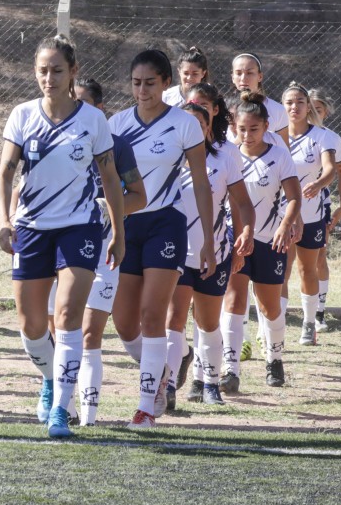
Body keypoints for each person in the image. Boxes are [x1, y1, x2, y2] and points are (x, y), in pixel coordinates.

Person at [0, 36, 125, 438]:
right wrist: (4, 220)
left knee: (68, 317)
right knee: (31, 325)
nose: (48, 78)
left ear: (73, 72)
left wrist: (118, 233)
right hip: (31, 228)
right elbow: (4, 174)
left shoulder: (93, 120)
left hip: (79, 227)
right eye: (42, 70)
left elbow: (110, 178)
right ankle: (51, 378)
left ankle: (60, 409)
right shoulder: (22, 115)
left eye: (57, 70)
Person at [109, 49, 214, 429]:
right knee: (124, 323)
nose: (142, 90)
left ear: (167, 83)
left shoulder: (184, 124)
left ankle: (146, 406)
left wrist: (208, 239)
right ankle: (165, 369)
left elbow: (201, 182)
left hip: (166, 225)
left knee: (154, 315)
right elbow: (105, 179)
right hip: (126, 226)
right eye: (136, 83)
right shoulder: (116, 124)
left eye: (150, 83)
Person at [43, 77, 145, 427]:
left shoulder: (116, 146)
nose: (75, 109)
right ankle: (62, 404)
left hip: (101, 252)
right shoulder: (55, 141)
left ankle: (88, 416)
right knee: (57, 329)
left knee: (88, 332)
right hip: (60, 248)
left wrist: (106, 206)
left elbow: (139, 196)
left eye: (83, 103)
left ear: (99, 110)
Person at [165, 88, 254, 410]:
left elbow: (243, 203)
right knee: (174, 319)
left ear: (207, 127)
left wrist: (245, 234)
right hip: (174, 254)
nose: (192, 131)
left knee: (208, 322)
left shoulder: (224, 157)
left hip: (214, 252)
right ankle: (170, 385)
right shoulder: (166, 161)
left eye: (198, 125)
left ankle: (210, 383)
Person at [221, 92, 301, 391]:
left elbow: (293, 198)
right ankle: (230, 369)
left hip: (269, 241)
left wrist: (285, 225)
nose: (247, 135)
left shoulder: (279, 155)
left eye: (253, 129)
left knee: (269, 307)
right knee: (233, 300)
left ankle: (275, 359)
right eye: (241, 129)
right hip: (236, 240)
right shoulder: (228, 155)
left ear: (266, 126)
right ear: (233, 128)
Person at [281, 82, 335, 347]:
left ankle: (309, 322)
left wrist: (319, 183)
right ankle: (275, 323)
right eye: (289, 102)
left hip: (311, 216)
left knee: (306, 269)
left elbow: (330, 169)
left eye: (300, 102)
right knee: (280, 270)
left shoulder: (322, 136)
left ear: (308, 106)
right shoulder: (273, 136)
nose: (294, 107)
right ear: (283, 106)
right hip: (279, 216)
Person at [308, 88, 341, 332]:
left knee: (318, 257)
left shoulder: (330, 138)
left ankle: (318, 313)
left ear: (326, 112)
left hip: (318, 206)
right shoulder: (285, 135)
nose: (312, 114)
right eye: (308, 108)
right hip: (284, 204)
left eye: (317, 110)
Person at [230, 53, 288, 144]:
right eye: (238, 73)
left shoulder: (278, 110)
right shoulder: (223, 108)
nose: (243, 78)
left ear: (260, 76)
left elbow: (284, 150)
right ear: (233, 77)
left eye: (249, 73)